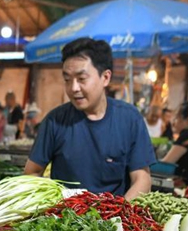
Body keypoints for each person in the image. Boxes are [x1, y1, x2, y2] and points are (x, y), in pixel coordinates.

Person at [25, 37, 154, 199]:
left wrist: (119, 215)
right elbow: (32, 173)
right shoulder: (54, 121)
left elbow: (142, 179)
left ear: (105, 78)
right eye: (67, 79)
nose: (73, 88)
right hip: (65, 218)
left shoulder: (130, 120)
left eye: (82, 79)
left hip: (115, 216)